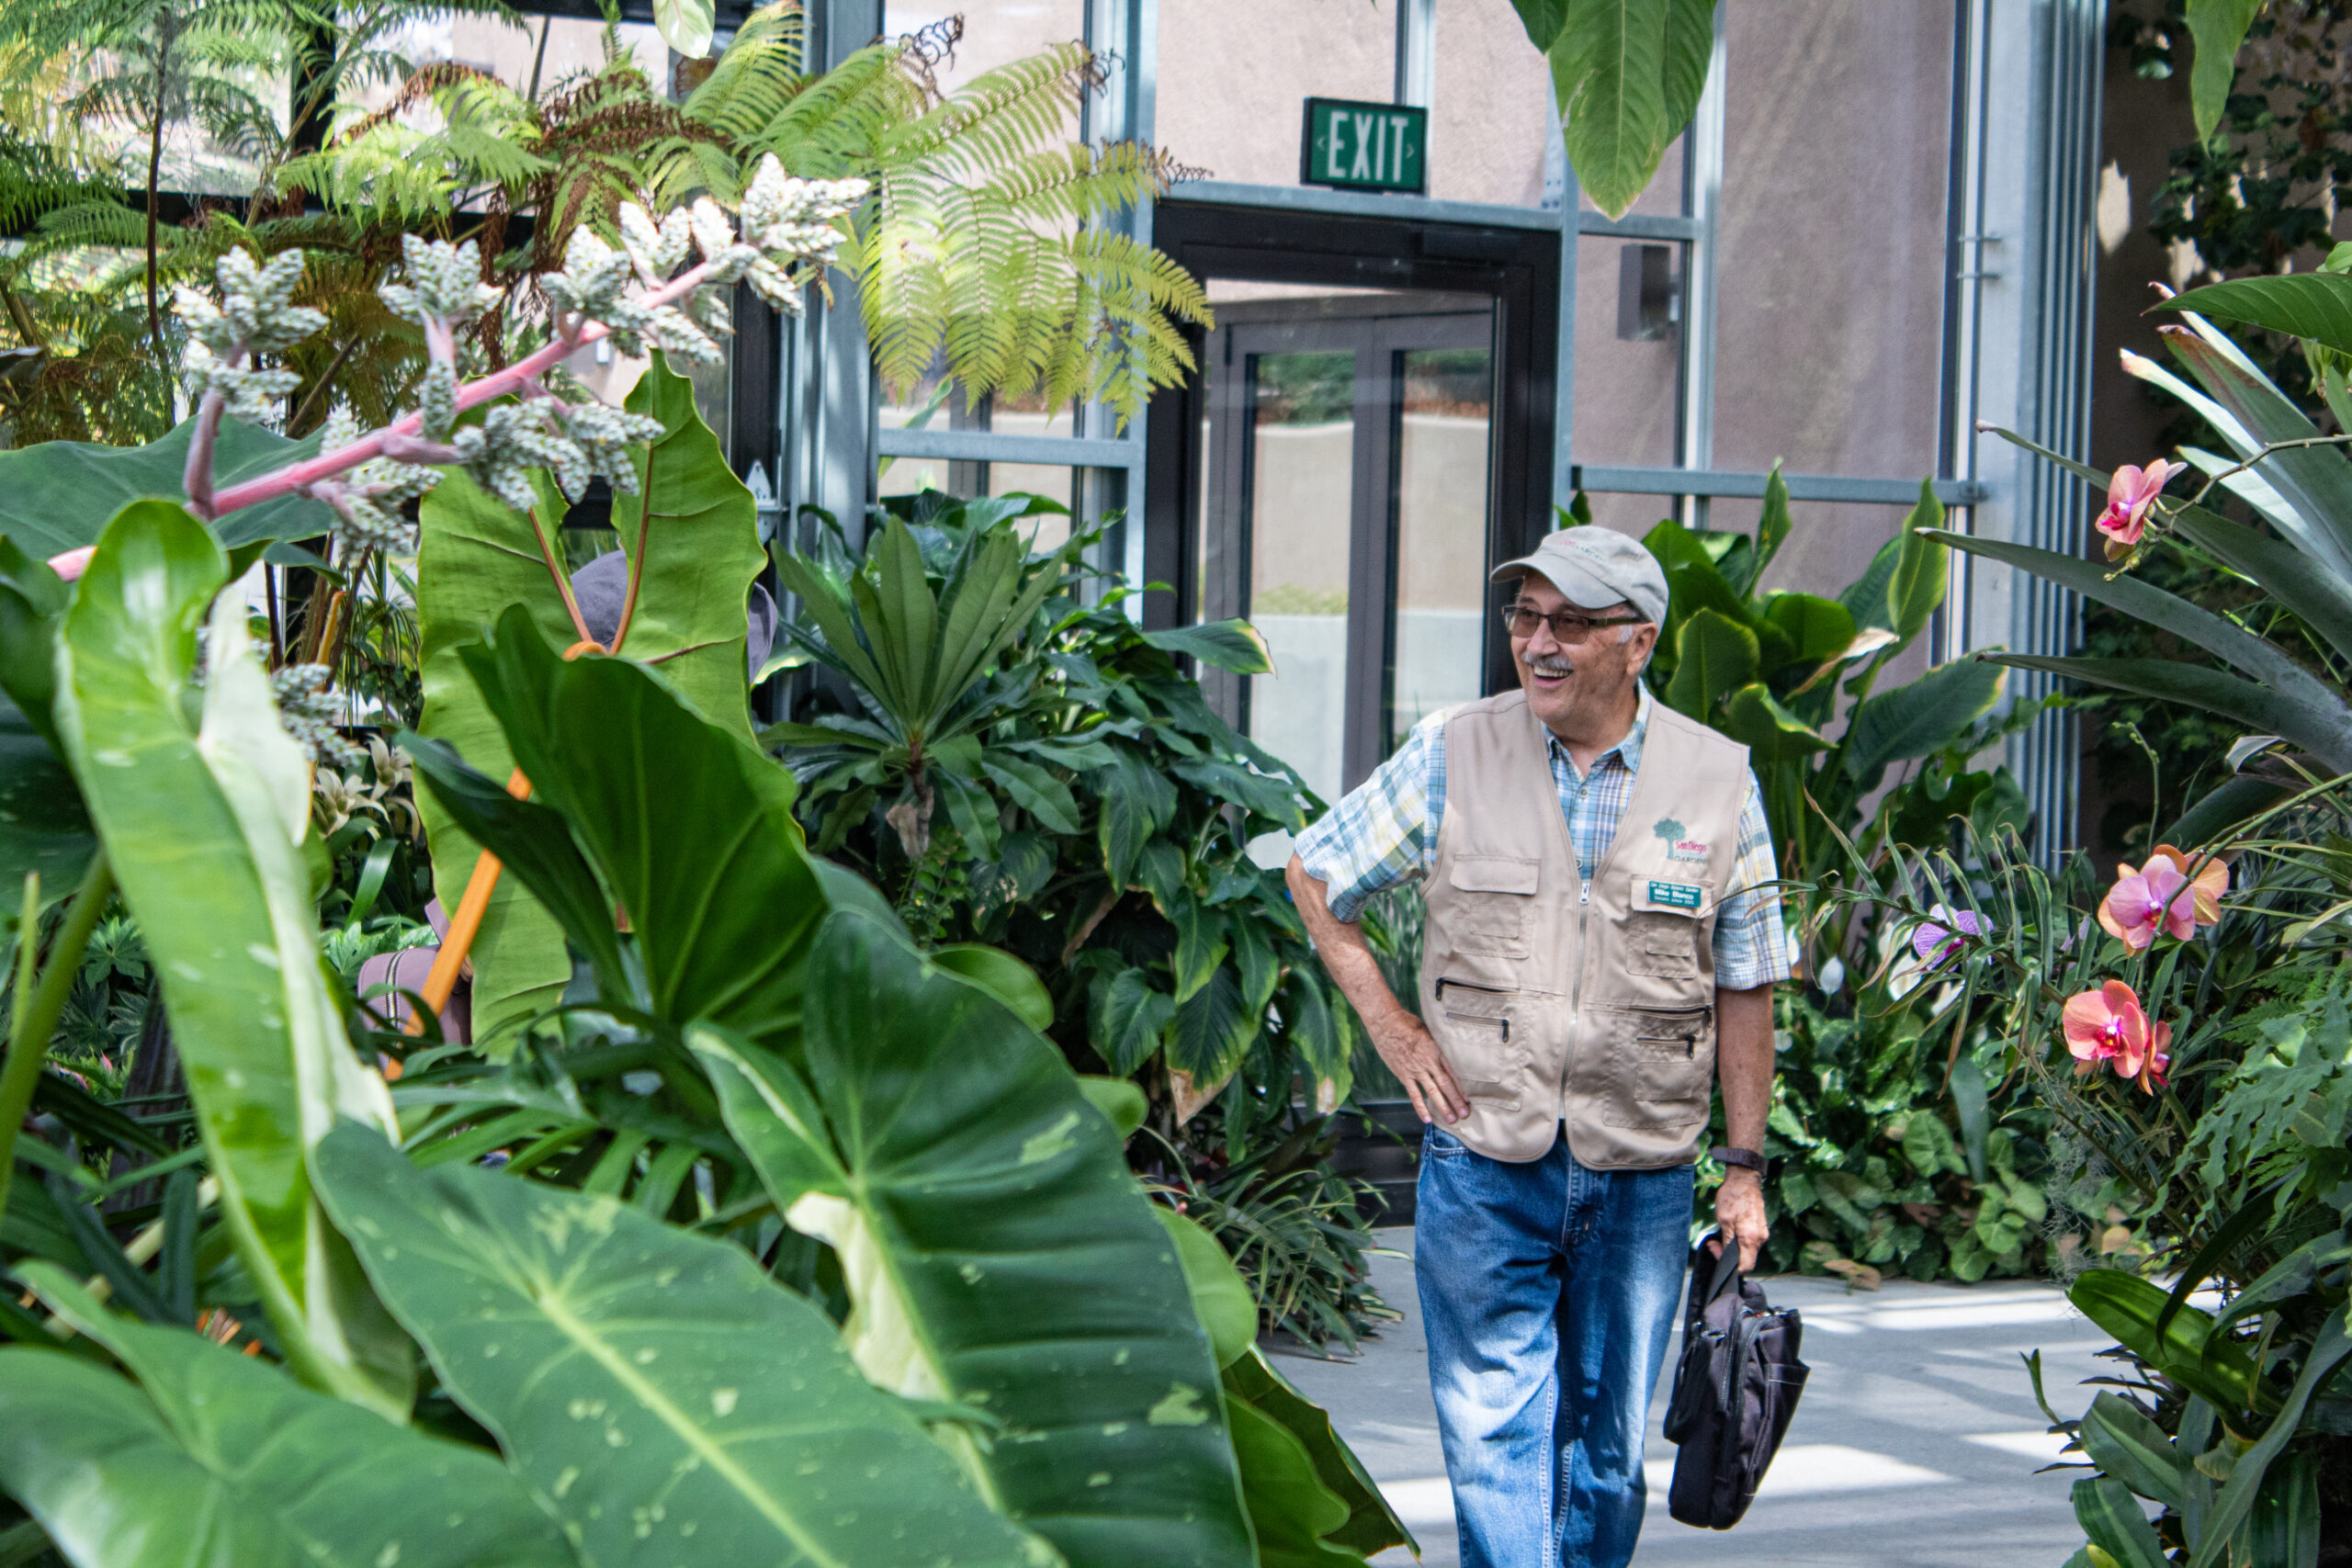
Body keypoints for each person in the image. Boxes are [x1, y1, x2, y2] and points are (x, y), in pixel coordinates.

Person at [1285, 525, 1786, 1568]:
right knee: (1492, 1434)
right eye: (1524, 617)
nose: (1537, 642)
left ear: (1637, 642)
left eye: (1570, 622)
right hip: (1482, 1154)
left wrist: (1743, 1169)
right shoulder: (1451, 750)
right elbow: (1316, 875)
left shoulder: (1718, 779)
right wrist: (1390, 1023)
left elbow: (1747, 979)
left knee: (1604, 1454)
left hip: (1639, 1166)